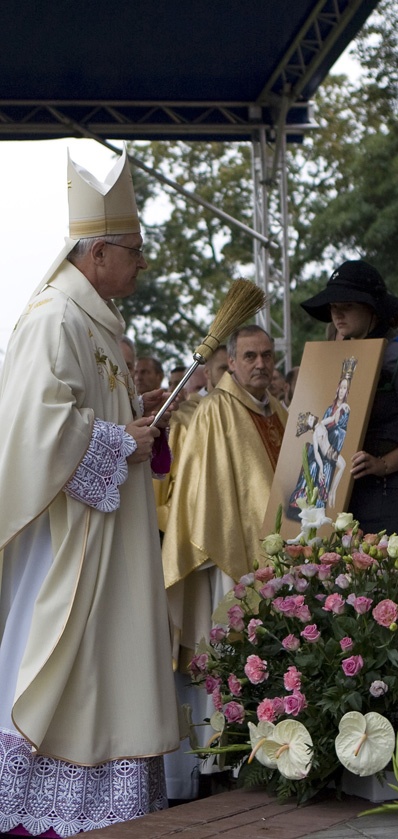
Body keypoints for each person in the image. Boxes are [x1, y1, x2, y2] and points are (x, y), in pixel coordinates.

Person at [0, 148, 179, 836]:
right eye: (133, 251)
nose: (141, 263)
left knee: (115, 666)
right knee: (73, 674)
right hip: (70, 546)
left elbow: (90, 413)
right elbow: (29, 428)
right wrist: (114, 440)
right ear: (97, 252)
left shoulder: (99, 317)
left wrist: (140, 419)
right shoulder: (53, 317)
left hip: (112, 535)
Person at [161, 324, 287, 799]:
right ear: (230, 362)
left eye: (267, 356)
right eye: (250, 356)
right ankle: (219, 762)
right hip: (225, 559)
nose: (260, 364)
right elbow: (203, 494)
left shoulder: (276, 409)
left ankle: (263, 752)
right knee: (224, 661)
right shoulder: (215, 410)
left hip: (271, 558)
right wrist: (228, 545)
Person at [300, 260, 398, 535]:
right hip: (342, 497)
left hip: (393, 497)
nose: (337, 314)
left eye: (346, 306)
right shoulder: (334, 358)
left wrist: (383, 464)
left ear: (372, 308)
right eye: (333, 307)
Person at [288, 358, 355, 513]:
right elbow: (317, 452)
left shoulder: (322, 423)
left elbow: (333, 419)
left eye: (346, 388)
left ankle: (332, 492)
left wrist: (342, 408)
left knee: (344, 465)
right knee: (341, 465)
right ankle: (329, 493)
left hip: (332, 450)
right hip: (326, 454)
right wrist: (320, 469)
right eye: (341, 387)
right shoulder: (316, 432)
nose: (312, 416)